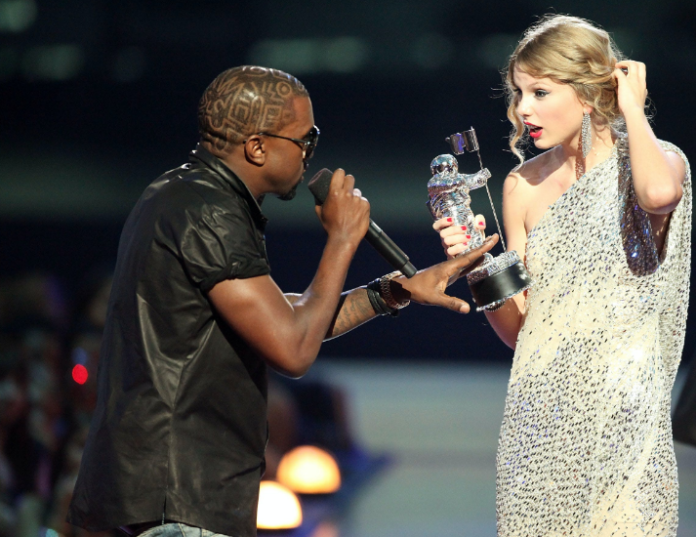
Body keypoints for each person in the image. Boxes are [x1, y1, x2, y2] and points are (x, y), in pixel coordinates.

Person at [66, 65, 498, 537]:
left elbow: (282, 315)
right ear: (257, 146)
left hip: (164, 498)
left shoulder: (184, 196)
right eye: (304, 140)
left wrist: (391, 291)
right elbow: (292, 348)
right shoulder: (207, 210)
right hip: (176, 502)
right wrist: (341, 238)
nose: (312, 154)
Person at [434, 15, 691, 537]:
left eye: (540, 91)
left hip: (626, 409)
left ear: (589, 91)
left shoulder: (659, 162)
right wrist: (477, 265)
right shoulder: (521, 186)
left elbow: (658, 197)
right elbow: (519, 329)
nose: (522, 108)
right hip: (540, 413)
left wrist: (632, 110)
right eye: (518, 92)